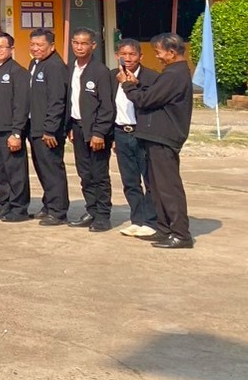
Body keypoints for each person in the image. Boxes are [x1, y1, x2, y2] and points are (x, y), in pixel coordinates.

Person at [123, 33, 194, 249]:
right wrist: (138, 85)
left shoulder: (174, 74)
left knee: (168, 187)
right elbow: (154, 95)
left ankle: (181, 233)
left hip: (165, 136)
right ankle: (164, 228)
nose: (158, 56)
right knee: (156, 185)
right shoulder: (172, 73)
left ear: (171, 53)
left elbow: (146, 100)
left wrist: (128, 86)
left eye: (159, 52)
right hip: (155, 136)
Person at [66, 28, 116, 232]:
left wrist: (99, 132)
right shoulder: (71, 68)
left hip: (96, 131)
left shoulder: (100, 71)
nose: (79, 47)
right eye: (76, 43)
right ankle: (91, 210)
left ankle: (103, 216)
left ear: (93, 45)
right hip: (77, 128)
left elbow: (106, 106)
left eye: (84, 43)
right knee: (85, 173)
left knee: (99, 174)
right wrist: (69, 126)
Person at [0, 32, 31, 222]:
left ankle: (19, 209)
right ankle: (4, 205)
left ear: (11, 49)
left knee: (15, 170)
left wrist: (16, 133)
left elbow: (21, 105)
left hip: (8, 129)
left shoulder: (18, 72)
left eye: (2, 47)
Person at [111, 39, 158, 238]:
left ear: (140, 56)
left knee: (150, 179)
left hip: (142, 133)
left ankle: (151, 221)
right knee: (130, 181)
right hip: (121, 132)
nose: (128, 58)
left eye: (132, 54)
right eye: (123, 54)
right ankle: (136, 219)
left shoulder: (151, 78)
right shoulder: (113, 76)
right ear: (117, 56)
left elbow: (150, 103)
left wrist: (134, 85)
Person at [25, 28, 71, 226]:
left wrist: (50, 129)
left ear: (52, 46)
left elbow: (57, 100)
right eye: (33, 44)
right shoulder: (35, 64)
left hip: (48, 131)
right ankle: (49, 204)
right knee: (42, 168)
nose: (35, 48)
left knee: (52, 169)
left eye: (40, 45)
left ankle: (58, 211)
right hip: (35, 126)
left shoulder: (55, 66)